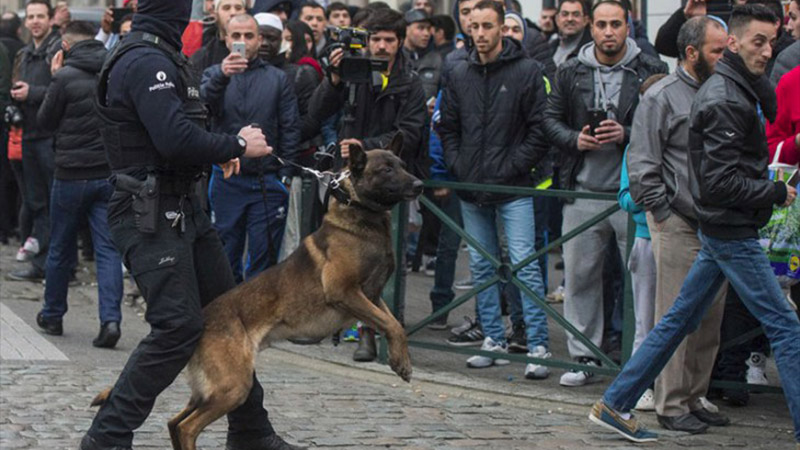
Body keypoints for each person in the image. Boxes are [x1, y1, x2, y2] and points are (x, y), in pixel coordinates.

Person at [78, 1, 299, 449]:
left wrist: (221, 151)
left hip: (183, 207)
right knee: (177, 326)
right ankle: (105, 438)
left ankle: (252, 433)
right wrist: (236, 143)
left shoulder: (160, 53)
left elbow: (181, 135)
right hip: (150, 213)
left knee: (229, 317)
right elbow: (174, 138)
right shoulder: (145, 59)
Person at [590, 5, 800, 445]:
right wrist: (775, 192)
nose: (768, 50)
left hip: (720, 225)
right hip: (724, 226)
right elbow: (716, 180)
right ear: (733, 46)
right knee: (785, 325)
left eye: (772, 40)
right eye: (757, 41)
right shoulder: (721, 96)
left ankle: (616, 402)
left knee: (680, 319)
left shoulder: (736, 88)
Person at [543, 0, 667, 387]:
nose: (609, 31)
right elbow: (549, 119)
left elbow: (667, 126)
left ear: (628, 26)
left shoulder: (652, 68)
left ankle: (641, 362)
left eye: (616, 23)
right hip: (582, 189)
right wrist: (574, 138)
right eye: (602, 24)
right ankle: (583, 356)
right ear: (590, 28)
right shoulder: (570, 71)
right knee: (580, 278)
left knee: (643, 282)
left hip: (635, 193)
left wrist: (627, 133)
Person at [305, 7, 426, 362]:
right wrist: (334, 79)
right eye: (376, 39)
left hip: (390, 183)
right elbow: (313, 115)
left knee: (382, 261)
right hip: (348, 182)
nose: (382, 46)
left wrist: (365, 148)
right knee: (337, 256)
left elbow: (410, 133)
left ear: (399, 42)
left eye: (389, 40)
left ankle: (372, 331)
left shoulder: (410, 81)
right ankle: (335, 322)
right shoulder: (354, 74)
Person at [627, 16, 731, 431]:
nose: (725, 58)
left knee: (710, 316)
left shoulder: (721, 91)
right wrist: (662, 212)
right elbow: (642, 163)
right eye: (717, 51)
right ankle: (671, 404)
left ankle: (694, 395)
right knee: (676, 315)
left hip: (717, 221)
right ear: (691, 53)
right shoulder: (662, 97)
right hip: (678, 221)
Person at [439, 0, 552, 378]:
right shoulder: (457, 71)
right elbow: (448, 126)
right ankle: (492, 339)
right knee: (482, 266)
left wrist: (512, 166)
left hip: (514, 184)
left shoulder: (527, 70)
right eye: (476, 26)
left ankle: (538, 344)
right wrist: (459, 165)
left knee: (524, 264)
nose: (482, 33)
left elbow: (540, 129)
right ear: (468, 28)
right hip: (471, 184)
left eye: (489, 26)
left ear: (503, 28)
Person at [33, 21, 124, 348]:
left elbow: (44, 122)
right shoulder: (113, 74)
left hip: (70, 175)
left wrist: (53, 75)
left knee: (60, 247)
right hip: (107, 174)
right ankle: (111, 320)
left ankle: (53, 314)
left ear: (66, 47)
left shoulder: (65, 77)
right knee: (108, 250)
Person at [203, 14, 300, 282]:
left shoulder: (277, 78)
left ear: (259, 39)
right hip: (227, 178)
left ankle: (257, 319)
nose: (242, 42)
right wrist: (222, 76)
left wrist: (285, 175)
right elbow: (200, 110)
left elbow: (290, 127)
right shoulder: (213, 73)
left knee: (264, 259)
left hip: (267, 180)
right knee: (224, 254)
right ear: (225, 38)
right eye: (236, 36)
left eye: (248, 36)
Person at [7, 0, 62, 282]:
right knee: (37, 203)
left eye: (41, 16)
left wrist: (33, 93)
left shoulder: (57, 50)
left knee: (54, 205)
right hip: (28, 135)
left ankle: (52, 266)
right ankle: (43, 264)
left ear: (51, 19)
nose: (36, 21)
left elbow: (63, 87)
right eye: (31, 17)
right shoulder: (26, 54)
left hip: (50, 138)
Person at [190, 0, 246, 74]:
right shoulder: (203, 55)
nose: (233, 13)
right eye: (226, 8)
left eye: (238, 8)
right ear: (215, 13)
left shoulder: (256, 50)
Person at [403, 9, 442, 99]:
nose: (426, 33)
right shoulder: (396, 58)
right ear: (406, 29)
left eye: (428, 29)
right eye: (420, 28)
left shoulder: (436, 60)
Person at [547, 0, 592, 76]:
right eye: (565, 14)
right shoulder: (549, 48)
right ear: (557, 20)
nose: (570, 19)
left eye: (576, 14)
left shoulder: (591, 51)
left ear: (585, 20)